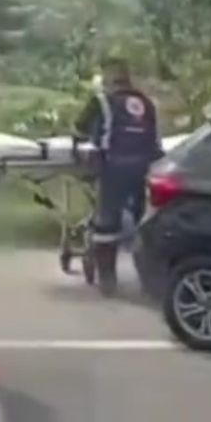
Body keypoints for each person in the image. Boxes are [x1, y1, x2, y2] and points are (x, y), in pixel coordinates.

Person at [73, 58, 162, 295]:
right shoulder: (147, 103)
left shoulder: (102, 101)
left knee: (106, 222)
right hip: (145, 169)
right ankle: (150, 280)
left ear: (109, 79)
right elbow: (156, 142)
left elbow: (79, 127)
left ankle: (108, 279)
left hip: (113, 168)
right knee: (145, 221)